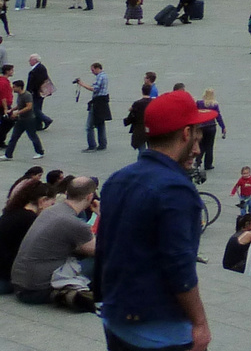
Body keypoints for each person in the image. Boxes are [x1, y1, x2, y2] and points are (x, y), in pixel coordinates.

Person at [97, 89, 218, 350]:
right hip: (160, 330)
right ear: (186, 133)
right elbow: (179, 266)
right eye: (196, 132)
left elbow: (104, 247)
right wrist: (200, 324)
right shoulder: (176, 190)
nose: (198, 144)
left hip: (117, 320)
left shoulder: (119, 178)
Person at [9, 174, 96, 309]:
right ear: (90, 197)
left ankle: (69, 294)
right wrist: (102, 214)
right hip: (40, 288)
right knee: (99, 260)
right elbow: (101, 250)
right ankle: (71, 292)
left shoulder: (50, 211)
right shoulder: (74, 223)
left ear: (67, 193)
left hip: (20, 284)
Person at [0, 182, 54, 293]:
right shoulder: (30, 219)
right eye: (52, 204)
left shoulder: (13, 211)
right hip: (6, 275)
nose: (52, 209)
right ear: (42, 201)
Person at [195, 89, 226, 171]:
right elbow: (218, 116)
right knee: (209, 146)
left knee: (201, 145)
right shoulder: (214, 105)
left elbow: (194, 113)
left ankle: (197, 162)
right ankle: (208, 164)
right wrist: (223, 127)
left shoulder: (199, 103)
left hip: (201, 127)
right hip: (211, 127)